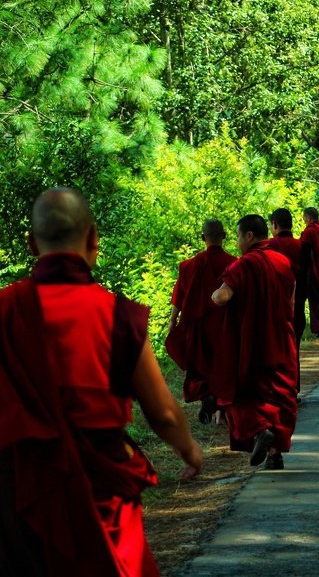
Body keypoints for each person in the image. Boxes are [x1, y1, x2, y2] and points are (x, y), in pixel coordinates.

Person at [0, 188, 203, 576]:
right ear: (93, 238)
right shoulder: (116, 314)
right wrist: (189, 449)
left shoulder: (6, 309)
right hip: (102, 490)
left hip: (22, 490)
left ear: (31, 243)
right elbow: (161, 412)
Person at [212, 214, 298, 470]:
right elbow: (291, 301)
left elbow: (222, 297)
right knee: (279, 396)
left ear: (249, 236)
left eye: (238, 236)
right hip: (281, 338)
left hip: (252, 341)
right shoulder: (283, 261)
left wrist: (214, 295)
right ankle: (275, 454)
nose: (238, 242)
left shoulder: (245, 264)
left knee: (242, 392)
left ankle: (259, 430)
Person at [166, 218, 237, 423]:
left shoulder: (189, 266)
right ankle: (221, 405)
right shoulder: (234, 264)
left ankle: (207, 396)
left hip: (198, 328)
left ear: (202, 237)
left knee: (199, 366)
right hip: (225, 326)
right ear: (224, 236)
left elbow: (179, 296)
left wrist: (172, 321)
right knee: (224, 365)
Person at [267, 208, 307, 354]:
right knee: (294, 351)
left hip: (273, 309)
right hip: (298, 306)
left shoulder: (267, 247)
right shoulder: (303, 246)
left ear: (275, 224)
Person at [300, 206, 319, 338]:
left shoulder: (309, 231)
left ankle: (318, 329)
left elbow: (304, 253)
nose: (304, 221)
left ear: (309, 218)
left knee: (314, 301)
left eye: (304, 218)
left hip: (313, 272)